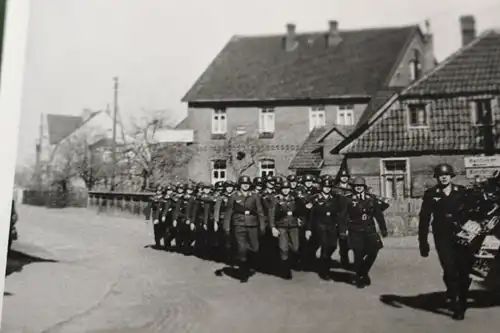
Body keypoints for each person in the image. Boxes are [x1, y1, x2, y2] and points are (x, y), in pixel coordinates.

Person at [418, 163, 473, 320]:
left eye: (446, 175)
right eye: (440, 175)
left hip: (462, 235)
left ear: (451, 176)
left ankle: (461, 298)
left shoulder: (461, 192)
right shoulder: (431, 194)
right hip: (442, 236)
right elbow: (424, 218)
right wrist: (423, 242)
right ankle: (457, 304)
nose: (443, 177)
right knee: (450, 269)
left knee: (464, 271)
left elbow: (471, 213)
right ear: (437, 177)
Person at [343, 177, 388, 288]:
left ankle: (364, 271)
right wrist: (343, 231)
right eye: (356, 186)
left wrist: (383, 229)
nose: (359, 188)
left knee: (374, 250)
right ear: (354, 188)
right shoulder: (348, 199)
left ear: (364, 187)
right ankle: (359, 278)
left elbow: (379, 215)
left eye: (361, 186)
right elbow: (343, 216)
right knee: (358, 254)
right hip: (355, 230)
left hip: (369, 229)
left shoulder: (371, 198)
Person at [223, 176, 266, 282]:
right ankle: (243, 271)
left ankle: (248, 264)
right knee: (241, 248)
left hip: (253, 224)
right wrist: (226, 227)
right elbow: (228, 212)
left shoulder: (255, 196)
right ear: (240, 185)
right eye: (243, 184)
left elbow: (260, 211)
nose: (245, 185)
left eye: (247, 184)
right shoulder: (234, 196)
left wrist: (262, 225)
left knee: (255, 248)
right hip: (239, 224)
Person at [307, 178, 347, 280]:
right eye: (325, 187)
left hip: (332, 226)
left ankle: (323, 261)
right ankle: (324, 271)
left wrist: (340, 226)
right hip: (320, 226)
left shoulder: (335, 199)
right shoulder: (315, 199)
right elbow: (311, 216)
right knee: (325, 246)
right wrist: (309, 229)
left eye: (329, 187)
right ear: (321, 187)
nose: (327, 189)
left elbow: (339, 213)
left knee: (333, 246)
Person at [270, 180, 303, 279]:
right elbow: (271, 215)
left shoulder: (295, 198)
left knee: (295, 247)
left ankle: (291, 262)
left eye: (287, 188)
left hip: (293, 225)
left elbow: (300, 211)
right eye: (283, 189)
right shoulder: (276, 199)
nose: (285, 190)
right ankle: (285, 270)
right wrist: (273, 227)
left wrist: (300, 219)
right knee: (283, 248)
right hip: (281, 225)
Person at [334, 168, 353, 268]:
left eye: (346, 177)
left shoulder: (352, 189)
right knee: (342, 240)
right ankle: (344, 260)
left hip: (350, 217)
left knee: (350, 240)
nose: (344, 178)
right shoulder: (335, 189)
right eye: (342, 177)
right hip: (339, 217)